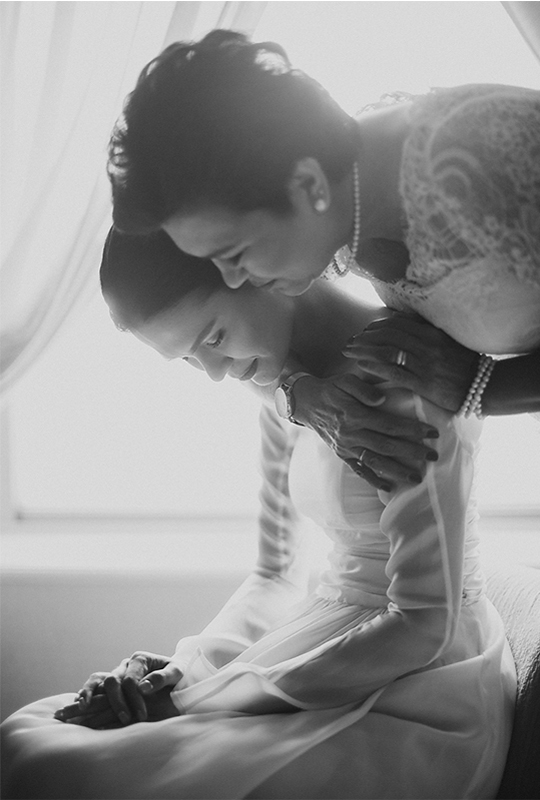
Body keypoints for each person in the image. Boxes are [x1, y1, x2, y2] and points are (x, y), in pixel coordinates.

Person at [1, 229, 516, 800]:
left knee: (74, 770)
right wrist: (180, 667)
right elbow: (275, 572)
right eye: (191, 360)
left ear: (258, 271)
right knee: (31, 738)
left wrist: (194, 698)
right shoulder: (285, 383)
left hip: (421, 683)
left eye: (214, 336)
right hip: (316, 642)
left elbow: (425, 623)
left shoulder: (404, 376)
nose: (218, 371)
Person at [106, 29, 540, 489]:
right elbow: (242, 346)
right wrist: (303, 394)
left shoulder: (473, 163)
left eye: (232, 255)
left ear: (308, 185)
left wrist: (481, 386)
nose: (233, 280)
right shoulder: (339, 202)